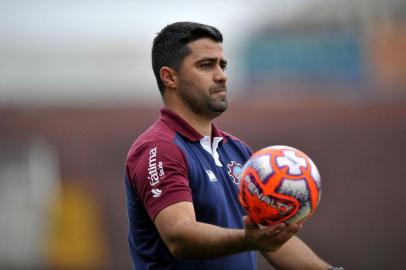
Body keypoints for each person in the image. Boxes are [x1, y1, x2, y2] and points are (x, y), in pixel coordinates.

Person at [125, 21, 338, 270]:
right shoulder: (159, 149)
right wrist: (247, 239)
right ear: (169, 77)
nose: (222, 75)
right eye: (206, 65)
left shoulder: (237, 151)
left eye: (222, 65)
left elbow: (270, 238)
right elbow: (179, 235)